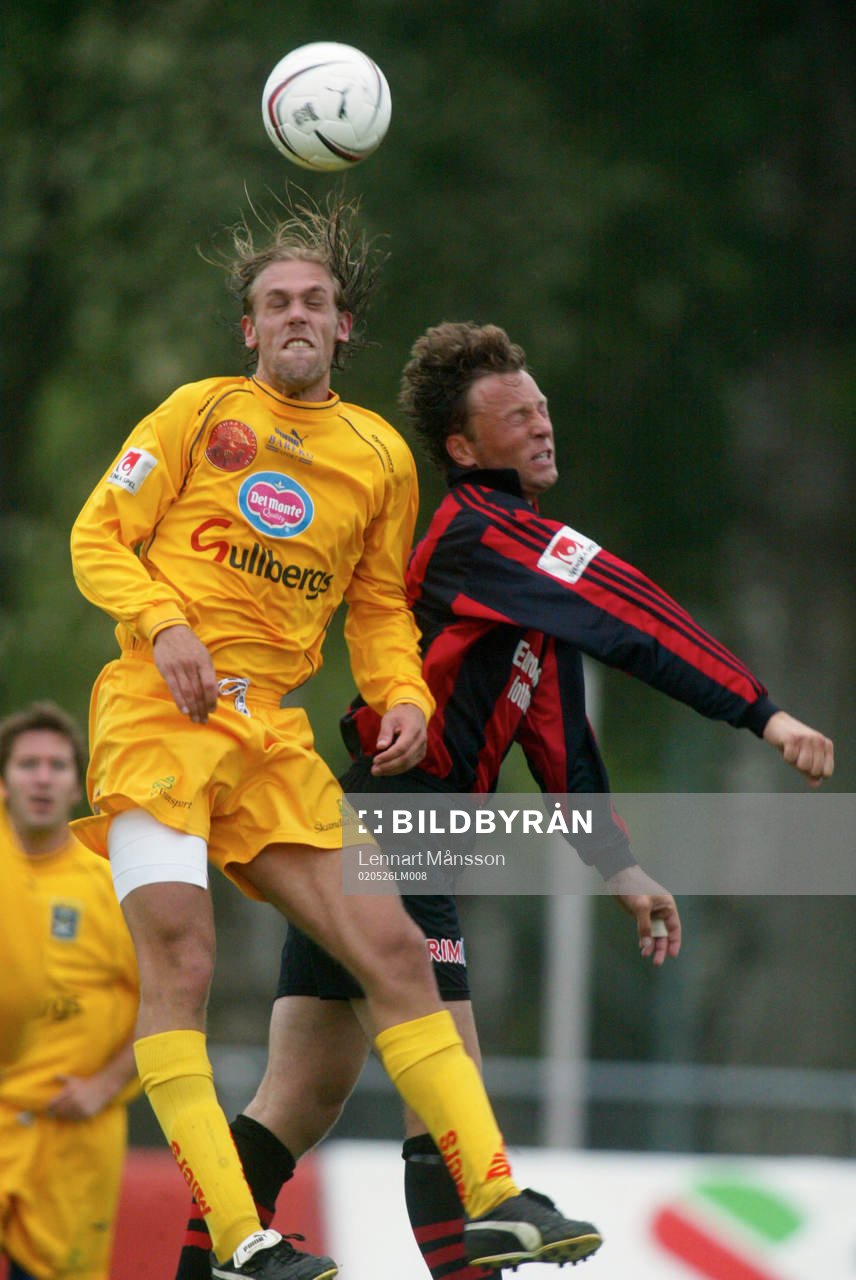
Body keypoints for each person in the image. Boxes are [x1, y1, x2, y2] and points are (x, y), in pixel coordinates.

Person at [172, 320, 834, 1280]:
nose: (540, 424)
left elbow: (554, 726)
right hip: (399, 827)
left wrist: (619, 863)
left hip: (363, 820)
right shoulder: (488, 538)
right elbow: (632, 614)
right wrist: (761, 713)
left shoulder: (520, 569)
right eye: (513, 414)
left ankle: (198, 1269)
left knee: (301, 1097)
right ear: (462, 448)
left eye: (542, 407)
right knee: (454, 1100)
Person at [68, 197, 605, 1280]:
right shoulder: (194, 412)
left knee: (394, 949)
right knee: (183, 956)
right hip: (157, 715)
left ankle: (496, 1189)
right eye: (277, 302)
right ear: (249, 329)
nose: (297, 314)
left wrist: (399, 688)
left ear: (345, 324)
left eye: (315, 299)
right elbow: (98, 535)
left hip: (271, 736)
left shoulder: (376, 456)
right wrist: (165, 623)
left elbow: (373, 607)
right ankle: (236, 1237)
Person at [0, 702, 140, 1280]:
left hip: (74, 1134)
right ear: (3, 780)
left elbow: (171, 1003)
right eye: (27, 763)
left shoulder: (113, 881)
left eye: (57, 766)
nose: (41, 777)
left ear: (78, 786)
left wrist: (103, 1085)